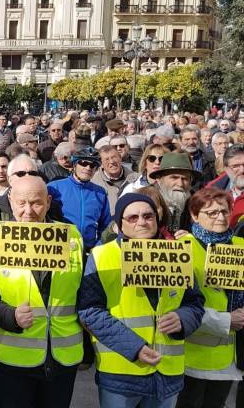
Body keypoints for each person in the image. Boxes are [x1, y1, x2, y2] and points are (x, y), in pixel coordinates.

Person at [77, 193, 205, 408]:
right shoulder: (101, 256)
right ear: (120, 225)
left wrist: (183, 318)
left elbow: (194, 303)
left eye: (148, 216)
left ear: (157, 219)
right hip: (121, 374)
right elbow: (89, 311)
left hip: (167, 373)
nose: (142, 222)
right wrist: (134, 347)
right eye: (133, 218)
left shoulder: (178, 255)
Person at [0, 175, 85, 408]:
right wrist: (9, 315)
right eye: (21, 203)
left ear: (48, 201)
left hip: (63, 358)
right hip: (14, 362)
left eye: (36, 203)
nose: (28, 211)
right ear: (10, 200)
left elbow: (86, 290)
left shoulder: (72, 236)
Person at [176, 189, 244, 408]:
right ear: (195, 216)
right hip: (192, 358)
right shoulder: (182, 249)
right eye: (211, 213)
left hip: (231, 358)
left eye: (224, 211)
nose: (220, 217)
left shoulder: (240, 246)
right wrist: (226, 321)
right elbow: (176, 306)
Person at [48, 148, 111, 252]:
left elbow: (105, 225)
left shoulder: (100, 192)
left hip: (89, 250)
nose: (88, 168)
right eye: (83, 163)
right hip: (61, 248)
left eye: (93, 165)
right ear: (74, 165)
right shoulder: (54, 187)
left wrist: (98, 245)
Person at [150, 152, 199, 234]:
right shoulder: (147, 200)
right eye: (174, 177)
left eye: (185, 179)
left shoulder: (196, 203)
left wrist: (191, 236)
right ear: (159, 179)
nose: (180, 184)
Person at [92, 145, 139, 215]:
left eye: (114, 157)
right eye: (107, 159)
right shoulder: (93, 182)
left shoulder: (137, 179)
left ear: (120, 158)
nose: (111, 161)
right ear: (101, 164)